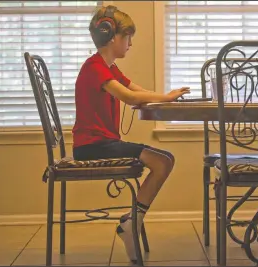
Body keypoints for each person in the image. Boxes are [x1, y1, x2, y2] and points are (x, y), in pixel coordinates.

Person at [72, 5, 190, 263]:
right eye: (128, 37)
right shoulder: (94, 67)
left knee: (165, 159)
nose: (131, 43)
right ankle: (131, 223)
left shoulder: (108, 67)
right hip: (93, 146)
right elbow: (129, 96)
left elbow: (135, 89)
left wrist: (164, 98)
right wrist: (167, 97)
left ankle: (131, 222)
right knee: (163, 161)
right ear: (111, 36)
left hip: (103, 143)